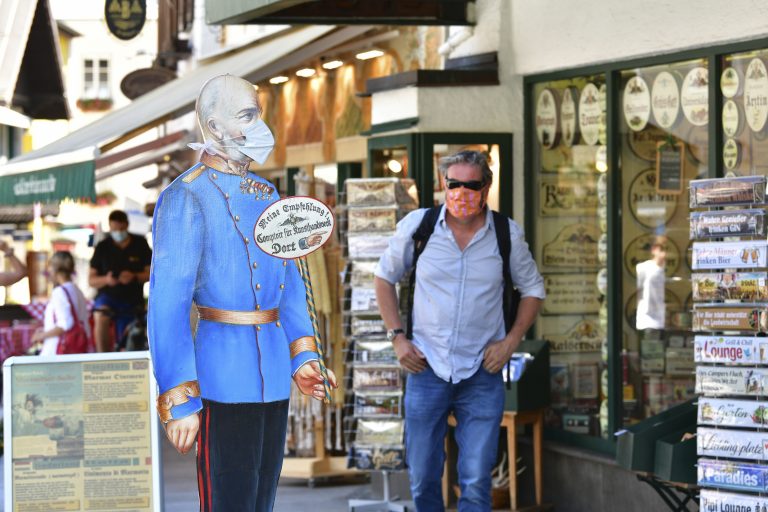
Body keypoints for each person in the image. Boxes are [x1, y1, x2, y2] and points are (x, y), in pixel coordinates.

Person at [148, 74, 336, 511]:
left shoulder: (268, 194)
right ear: (214, 127)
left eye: (258, 115)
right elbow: (167, 305)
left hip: (272, 373)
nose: (258, 126)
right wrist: (179, 397)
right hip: (219, 375)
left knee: (261, 497)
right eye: (246, 116)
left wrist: (303, 356)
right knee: (229, 499)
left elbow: (289, 288)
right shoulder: (186, 197)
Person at [374, 150, 545, 512]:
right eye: (455, 184)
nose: (462, 192)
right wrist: (397, 337)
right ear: (442, 184)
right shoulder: (418, 228)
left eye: (472, 184)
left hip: (483, 371)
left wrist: (511, 341)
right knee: (422, 476)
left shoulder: (505, 233)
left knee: (476, 480)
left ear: (486, 187)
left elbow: (533, 289)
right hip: (426, 366)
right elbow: (383, 278)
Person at [89, 210, 151, 352]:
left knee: (133, 333)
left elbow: (152, 275)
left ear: (127, 225)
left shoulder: (140, 244)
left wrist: (134, 276)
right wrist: (106, 279)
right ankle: (102, 356)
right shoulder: (102, 247)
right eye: (114, 230)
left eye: (121, 229)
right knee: (101, 315)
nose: (118, 233)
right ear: (109, 228)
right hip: (108, 297)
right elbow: (91, 280)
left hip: (133, 299)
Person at [31, 251, 90, 356]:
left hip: (59, 350)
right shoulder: (77, 290)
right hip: (79, 349)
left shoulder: (60, 292)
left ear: (54, 269)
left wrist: (41, 336)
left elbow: (66, 324)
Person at [636, 236, 667, 331]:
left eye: (666, 250)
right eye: (661, 249)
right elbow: (639, 292)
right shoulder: (643, 268)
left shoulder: (663, 270)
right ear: (654, 250)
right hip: (647, 319)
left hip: (660, 319)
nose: (664, 253)